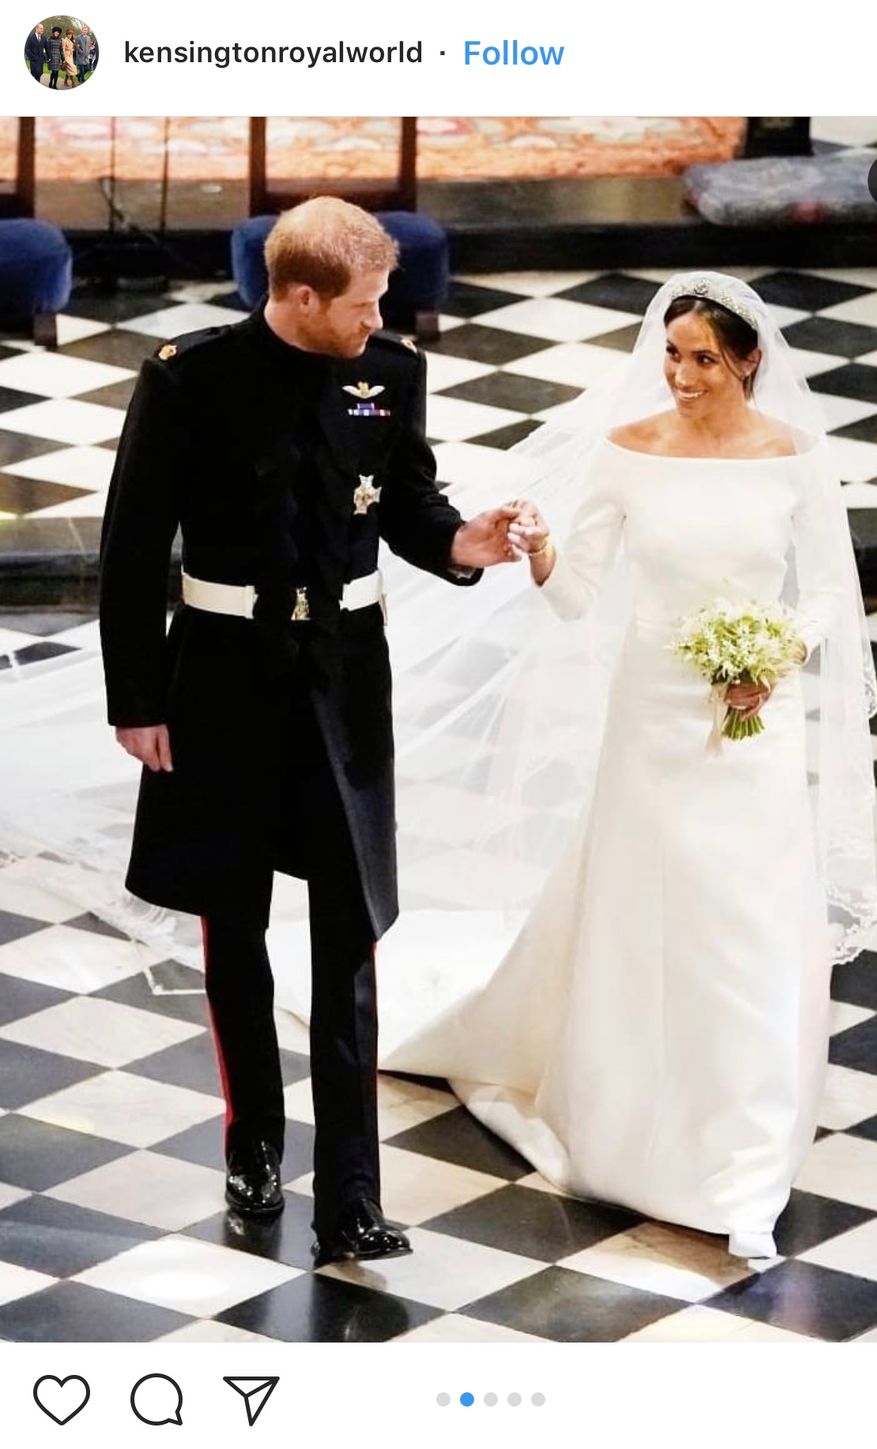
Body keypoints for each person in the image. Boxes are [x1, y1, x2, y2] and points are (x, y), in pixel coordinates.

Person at [372, 272, 877, 1261]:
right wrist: (541, 551)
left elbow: (825, 590)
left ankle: (741, 1150)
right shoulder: (627, 450)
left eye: (703, 359)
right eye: (672, 355)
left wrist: (775, 655)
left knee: (746, 917)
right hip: (651, 715)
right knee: (651, 909)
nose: (680, 376)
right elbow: (577, 595)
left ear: (748, 361)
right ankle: (636, 1110)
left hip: (755, 713)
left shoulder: (794, 458)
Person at [98, 196, 521, 1265]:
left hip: (344, 680)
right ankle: (253, 1147)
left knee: (350, 935)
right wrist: (137, 698)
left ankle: (353, 1196)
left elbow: (408, 500)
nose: (380, 321)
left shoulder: (391, 372)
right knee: (233, 923)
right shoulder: (189, 377)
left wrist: (461, 544)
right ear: (297, 295)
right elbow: (132, 543)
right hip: (220, 678)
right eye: (363, 304)